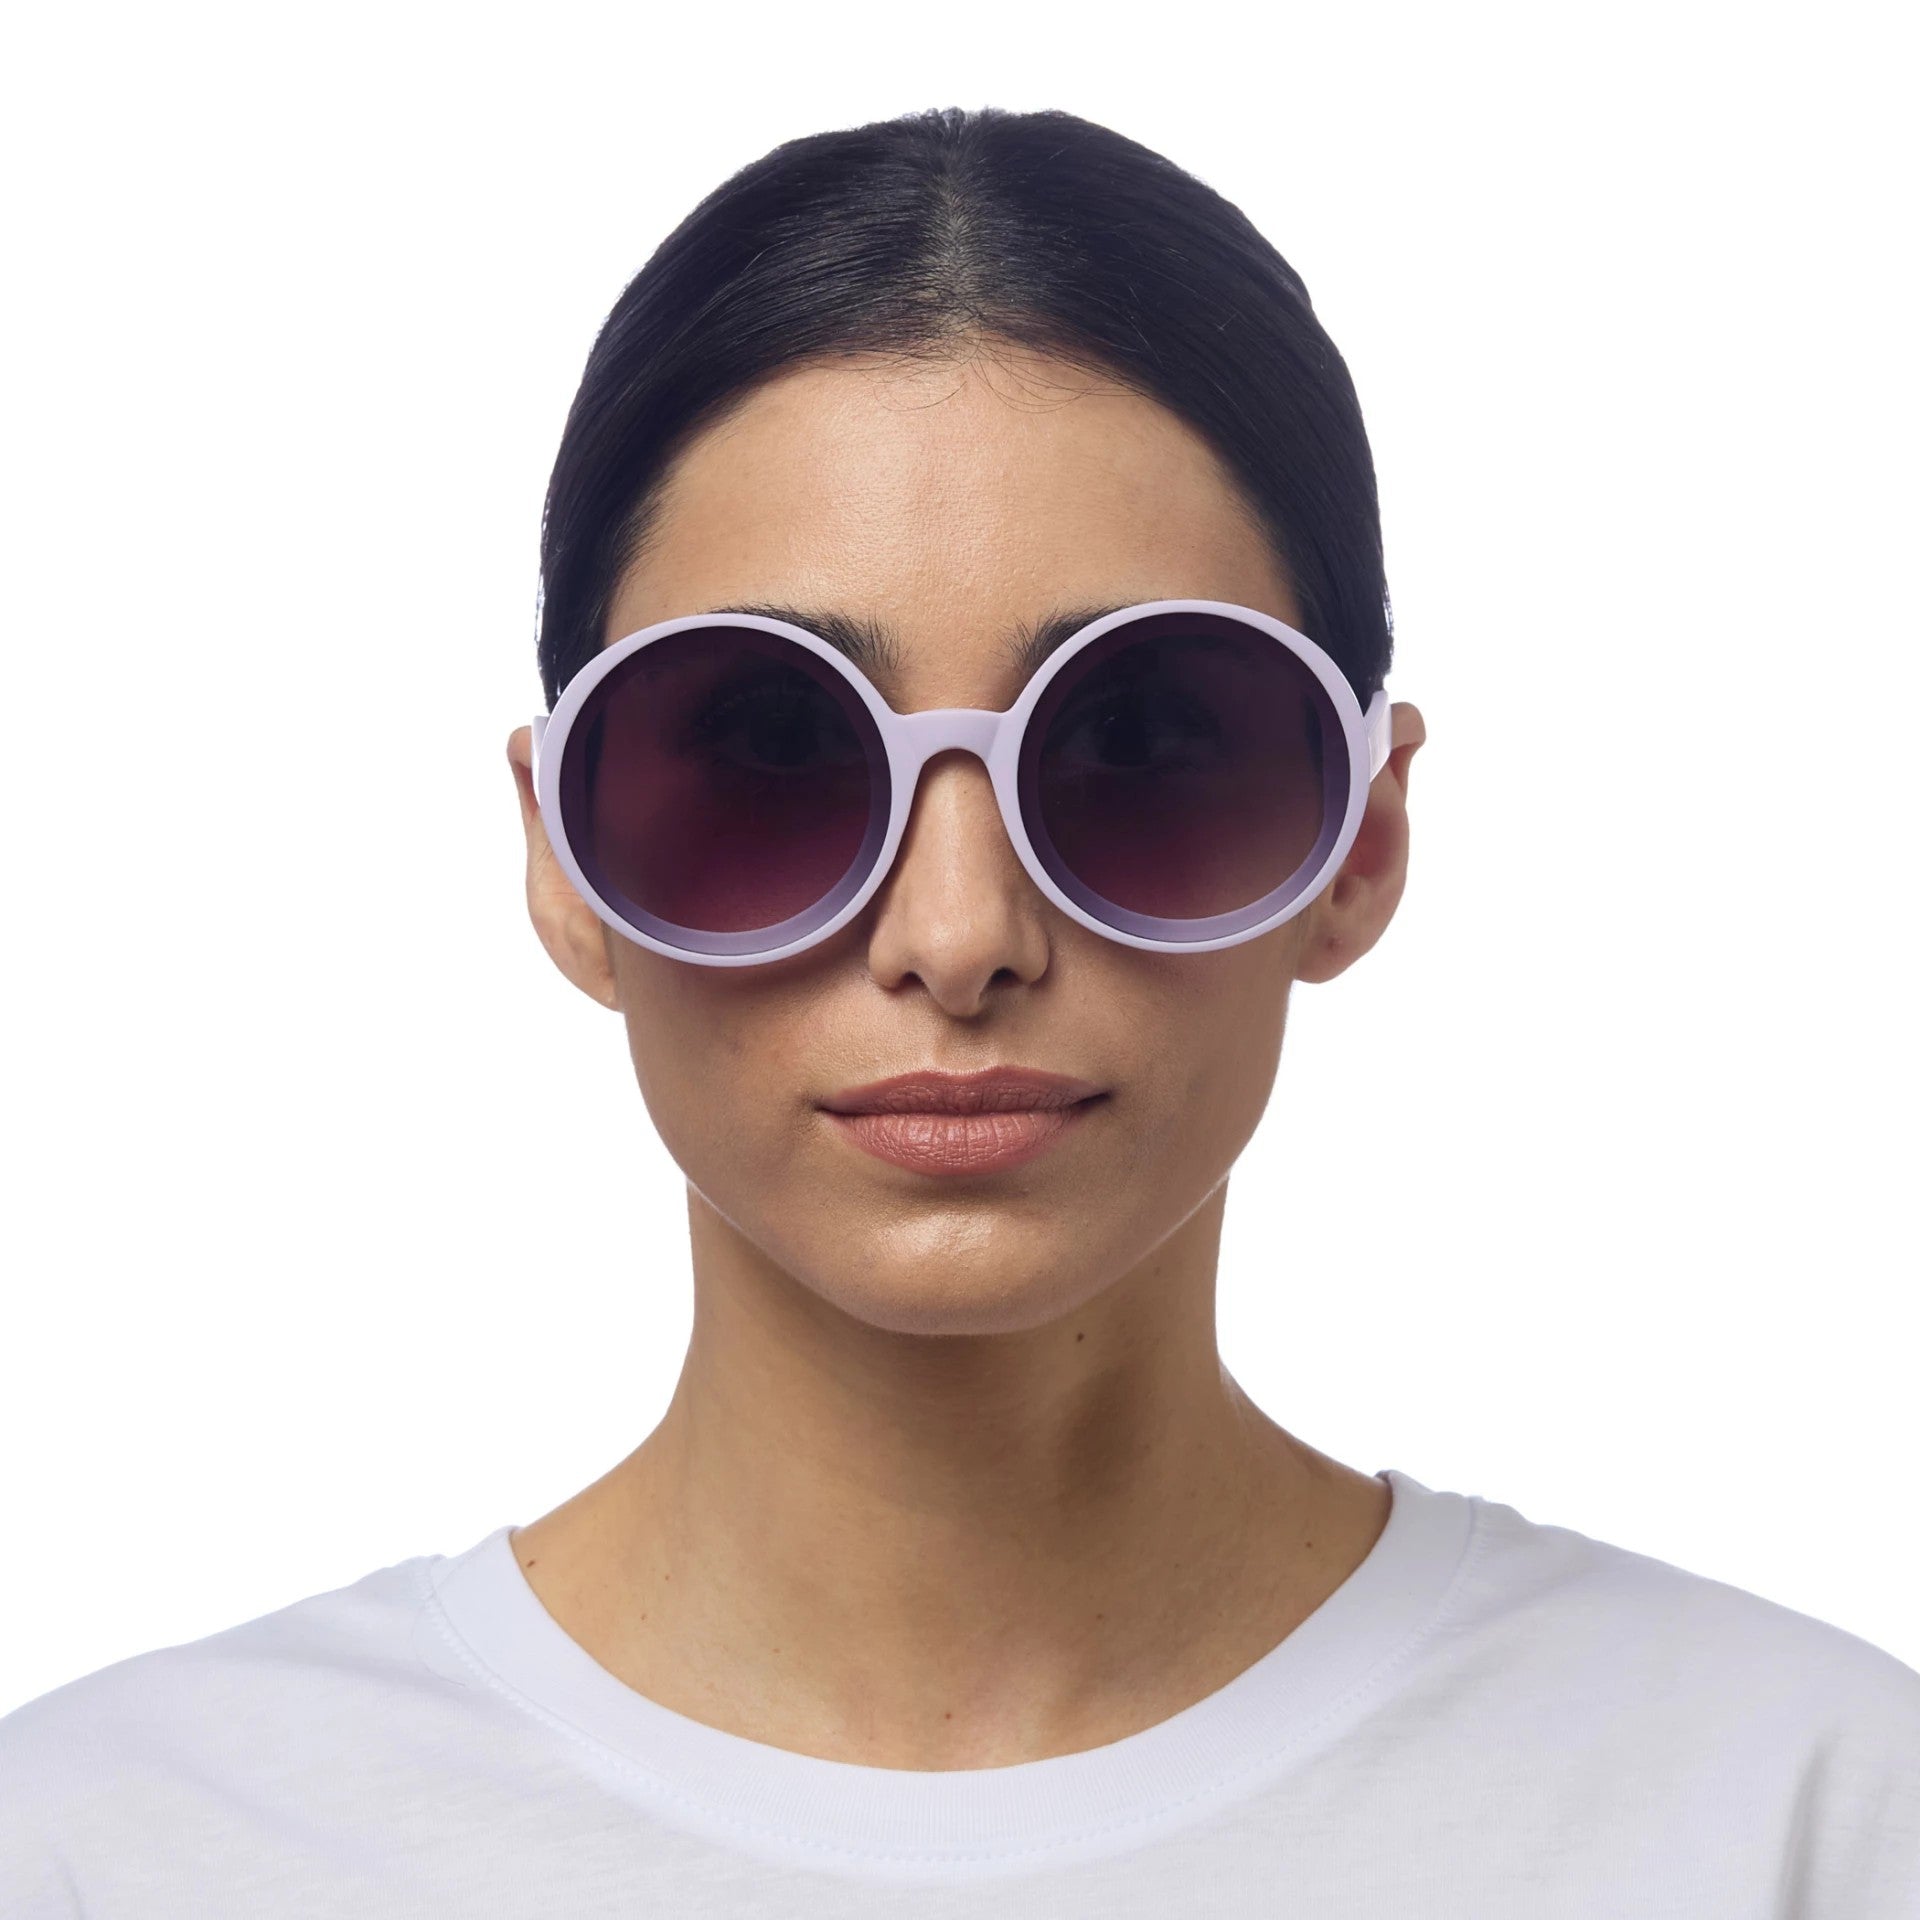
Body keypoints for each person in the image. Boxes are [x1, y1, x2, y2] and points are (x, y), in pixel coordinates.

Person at [3, 103, 1914, 1918]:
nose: (958, 934)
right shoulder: (113, 1854)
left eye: (1137, 736)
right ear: (564, 859)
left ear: (1361, 839)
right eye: (770, 744)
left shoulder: (1803, 1819)